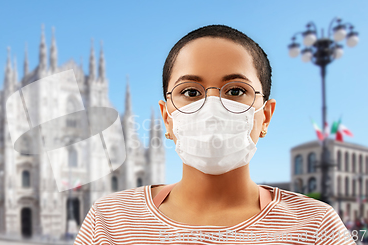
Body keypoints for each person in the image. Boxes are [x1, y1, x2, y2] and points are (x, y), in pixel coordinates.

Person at [74, 25, 355, 244]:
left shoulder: (316, 226)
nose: (211, 108)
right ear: (166, 118)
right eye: (190, 92)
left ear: (265, 116)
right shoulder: (110, 219)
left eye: (235, 91)